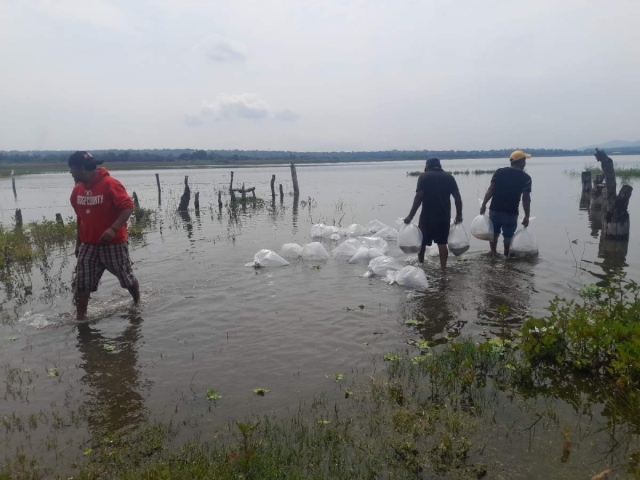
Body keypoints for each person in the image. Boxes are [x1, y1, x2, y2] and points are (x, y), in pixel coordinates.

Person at [69, 151, 140, 320]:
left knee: (126, 278)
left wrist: (113, 229)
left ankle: (137, 302)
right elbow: (80, 218)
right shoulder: (77, 190)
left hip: (113, 244)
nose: (70, 172)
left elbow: (128, 207)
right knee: (82, 283)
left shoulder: (110, 184)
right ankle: (81, 318)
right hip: (88, 245)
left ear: (81, 168)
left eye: (72, 168)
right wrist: (78, 244)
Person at [404, 157, 463, 269]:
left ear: (427, 166)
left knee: (422, 242)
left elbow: (418, 197)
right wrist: (459, 214)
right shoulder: (449, 177)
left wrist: (410, 216)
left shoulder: (423, 177)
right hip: (444, 216)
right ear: (439, 166)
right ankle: (443, 268)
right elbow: (457, 197)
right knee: (442, 243)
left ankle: (421, 265)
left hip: (427, 217)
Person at [479, 150, 532, 256]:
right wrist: (527, 216)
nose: (525, 162)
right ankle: (506, 257)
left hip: (495, 210)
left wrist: (484, 204)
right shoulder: (526, 178)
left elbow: (491, 190)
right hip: (511, 212)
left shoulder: (499, 172)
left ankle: (493, 254)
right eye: (525, 160)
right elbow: (526, 198)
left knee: (493, 234)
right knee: (508, 237)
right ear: (521, 162)